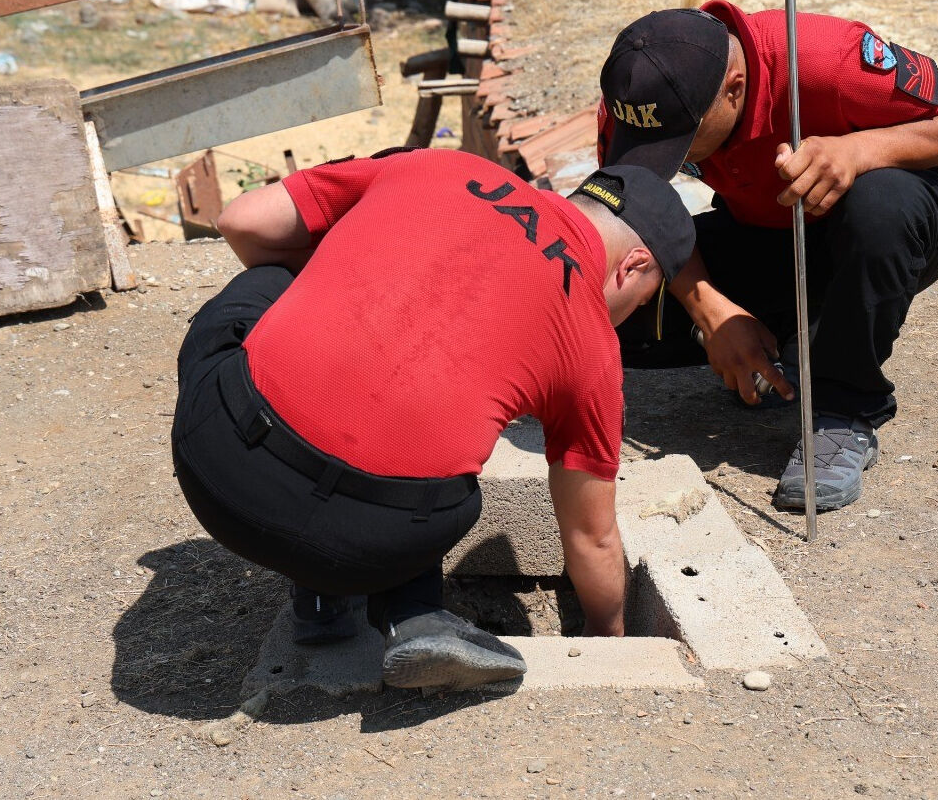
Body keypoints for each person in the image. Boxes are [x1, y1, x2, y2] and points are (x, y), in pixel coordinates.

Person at [171, 146, 695, 692]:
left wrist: (332, 283)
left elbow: (243, 220)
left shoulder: (443, 165)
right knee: (436, 475)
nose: (627, 317)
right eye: (641, 302)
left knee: (270, 279)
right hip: (372, 547)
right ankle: (412, 613)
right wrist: (608, 636)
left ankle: (322, 604)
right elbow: (591, 535)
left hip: (216, 471)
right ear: (633, 265)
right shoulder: (592, 345)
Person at [597, 2, 938, 513]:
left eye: (682, 142)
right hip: (766, 232)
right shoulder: (636, 99)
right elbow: (634, 209)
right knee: (608, 296)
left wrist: (858, 152)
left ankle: (843, 411)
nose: (671, 158)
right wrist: (711, 312)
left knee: (879, 206)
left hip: (886, 224)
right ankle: (785, 344)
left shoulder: (825, 60)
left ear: (735, 89)